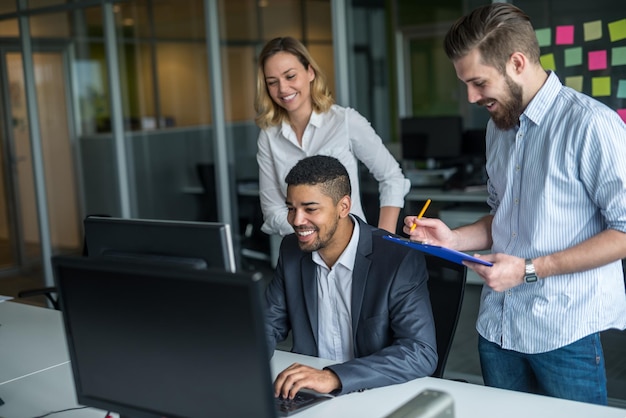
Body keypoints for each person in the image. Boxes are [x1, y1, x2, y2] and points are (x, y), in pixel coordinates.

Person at [404, 3, 626, 405]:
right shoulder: (499, 129)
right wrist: (452, 239)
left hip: (564, 333)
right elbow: (504, 217)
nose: (471, 97)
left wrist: (527, 270)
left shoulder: (591, 124)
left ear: (517, 62)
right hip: (498, 329)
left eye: (478, 83)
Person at [265, 155, 437, 397]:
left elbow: (420, 351)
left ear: (343, 207)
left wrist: (334, 376)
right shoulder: (291, 249)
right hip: (311, 392)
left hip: (373, 391)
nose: (296, 220)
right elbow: (269, 322)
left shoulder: (398, 257)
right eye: (291, 208)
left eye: (310, 209)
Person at [255, 36, 410, 240]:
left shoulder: (345, 121)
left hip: (352, 248)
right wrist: (313, 229)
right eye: (272, 82)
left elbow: (392, 177)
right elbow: (272, 210)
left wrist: (384, 239)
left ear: (310, 72)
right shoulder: (269, 136)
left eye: (290, 76)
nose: (283, 89)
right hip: (299, 252)